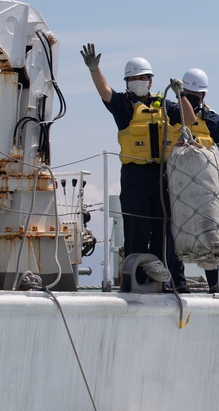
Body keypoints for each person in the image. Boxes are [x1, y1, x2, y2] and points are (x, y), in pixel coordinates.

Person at [80, 43, 196, 292]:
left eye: (142, 78)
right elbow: (104, 91)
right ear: (127, 82)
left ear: (151, 81)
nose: (138, 82)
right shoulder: (123, 105)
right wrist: (94, 69)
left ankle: (169, 281)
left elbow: (191, 119)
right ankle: (138, 280)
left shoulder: (164, 105)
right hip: (135, 176)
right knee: (137, 230)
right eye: (133, 79)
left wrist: (181, 94)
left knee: (165, 229)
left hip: (163, 175)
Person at [182, 68, 219, 293]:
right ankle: (177, 282)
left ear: (203, 96)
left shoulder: (211, 118)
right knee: (175, 231)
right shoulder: (171, 111)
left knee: (210, 232)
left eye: (196, 95)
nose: (194, 98)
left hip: (204, 185)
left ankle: (214, 283)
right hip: (177, 183)